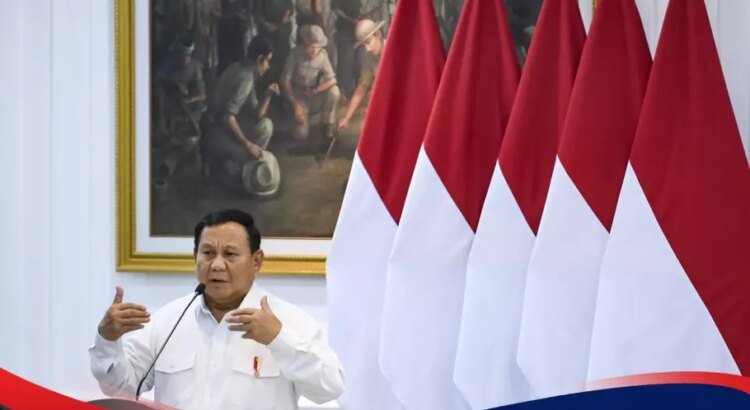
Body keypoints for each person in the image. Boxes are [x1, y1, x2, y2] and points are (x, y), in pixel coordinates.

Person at [89, 209, 345, 409]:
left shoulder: (288, 320)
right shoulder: (169, 320)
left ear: (256, 261)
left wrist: (278, 339)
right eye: (208, 253)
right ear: (195, 257)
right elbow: (119, 389)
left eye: (230, 254)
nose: (217, 265)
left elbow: (329, 388)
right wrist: (108, 340)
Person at [201, 37, 278, 187]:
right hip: (217, 133)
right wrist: (248, 145)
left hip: (225, 129)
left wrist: (267, 96)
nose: (268, 66)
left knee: (266, 125)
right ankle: (231, 167)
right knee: (253, 157)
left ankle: (233, 166)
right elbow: (227, 116)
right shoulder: (246, 79)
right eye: (267, 61)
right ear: (259, 59)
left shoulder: (239, 68)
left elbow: (257, 115)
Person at [281, 24, 340, 140]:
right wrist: (295, 104)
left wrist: (316, 90)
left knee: (335, 91)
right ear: (305, 44)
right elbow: (285, 80)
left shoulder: (322, 55)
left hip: (314, 93)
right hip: (299, 95)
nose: (314, 50)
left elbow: (333, 79)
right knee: (300, 135)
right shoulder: (295, 53)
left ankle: (327, 123)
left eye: (318, 47)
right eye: (311, 46)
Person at [337, 19, 384, 132]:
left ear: (378, 35)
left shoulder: (396, 50)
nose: (367, 49)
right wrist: (347, 118)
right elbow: (362, 87)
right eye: (363, 45)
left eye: (368, 42)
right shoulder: (369, 60)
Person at [331, 0, 361, 98]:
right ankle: (342, 93)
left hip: (359, 31)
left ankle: (356, 92)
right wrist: (350, 20)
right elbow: (335, 8)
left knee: (360, 62)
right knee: (345, 64)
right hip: (344, 31)